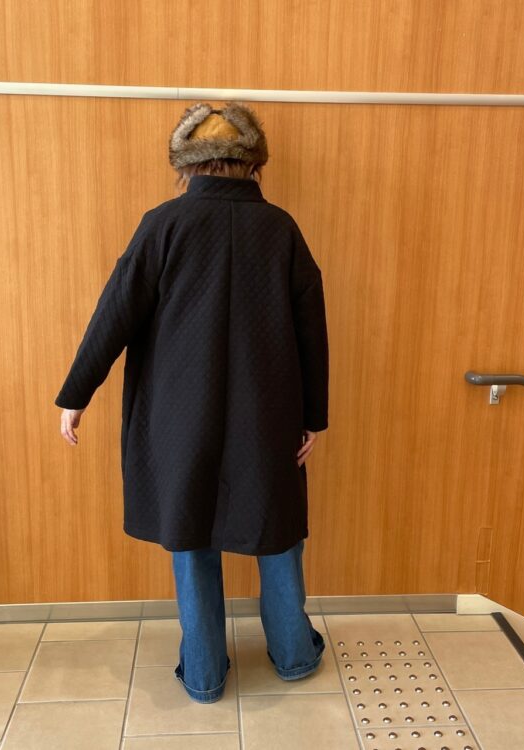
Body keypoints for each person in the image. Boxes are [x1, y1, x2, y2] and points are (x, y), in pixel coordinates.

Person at [55, 100, 329, 703]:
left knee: (192, 531)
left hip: (179, 415)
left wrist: (77, 394)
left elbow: (115, 313)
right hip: (267, 414)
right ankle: (294, 655)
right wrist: (314, 417)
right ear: (253, 163)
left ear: (187, 166)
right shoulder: (280, 229)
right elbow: (312, 328)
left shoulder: (163, 224)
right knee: (277, 530)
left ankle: (204, 674)